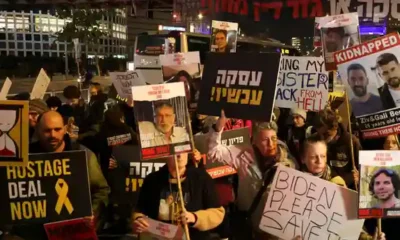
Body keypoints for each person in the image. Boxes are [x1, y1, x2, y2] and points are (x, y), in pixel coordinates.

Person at [10, 111, 109, 239]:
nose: (53, 135)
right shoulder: (25, 156)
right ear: (37, 130)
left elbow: (101, 190)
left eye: (57, 129)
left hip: (71, 231)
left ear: (65, 129)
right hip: (33, 232)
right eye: (47, 130)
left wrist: (93, 214)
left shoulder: (82, 154)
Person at [208, 110, 297, 239]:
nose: (270, 144)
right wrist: (219, 126)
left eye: (273, 139)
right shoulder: (242, 154)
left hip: (276, 231)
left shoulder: (288, 163)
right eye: (265, 140)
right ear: (254, 141)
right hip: (249, 226)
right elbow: (214, 152)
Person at [132, 153, 224, 240]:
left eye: (183, 151)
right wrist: (138, 220)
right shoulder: (152, 180)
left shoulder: (201, 178)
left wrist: (194, 217)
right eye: (175, 152)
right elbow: (139, 210)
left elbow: (218, 213)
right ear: (166, 154)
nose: (179, 155)